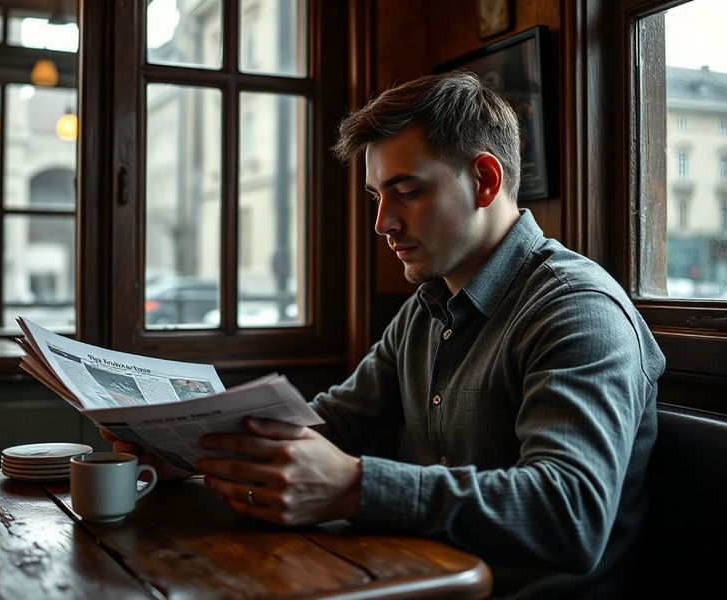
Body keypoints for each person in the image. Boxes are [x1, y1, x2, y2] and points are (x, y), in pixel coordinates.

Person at [105, 72, 665, 599]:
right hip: (412, 579)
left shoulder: (577, 311)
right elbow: (339, 421)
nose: (383, 223)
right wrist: (201, 453)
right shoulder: (428, 307)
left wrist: (355, 486)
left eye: (407, 191)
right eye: (378, 196)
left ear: (485, 180)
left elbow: (570, 514)